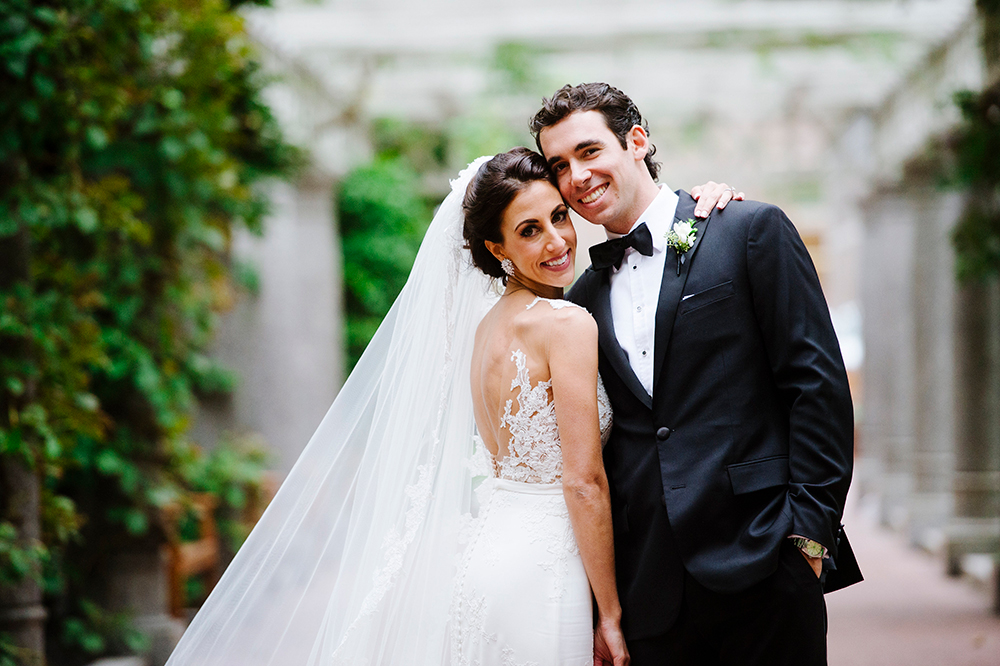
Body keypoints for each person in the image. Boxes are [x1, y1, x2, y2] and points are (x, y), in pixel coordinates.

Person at [163, 149, 738, 666]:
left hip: (486, 559)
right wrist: (610, 614)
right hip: (547, 568)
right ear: (498, 249)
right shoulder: (564, 323)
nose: (558, 241)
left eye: (559, 217)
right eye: (530, 231)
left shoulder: (485, 329)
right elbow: (583, 480)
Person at [531, 82, 860, 666]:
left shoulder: (748, 230)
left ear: (636, 141)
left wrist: (809, 536)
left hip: (766, 560)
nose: (576, 176)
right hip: (649, 585)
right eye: (560, 165)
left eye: (588, 151)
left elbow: (817, 386)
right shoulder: (580, 300)